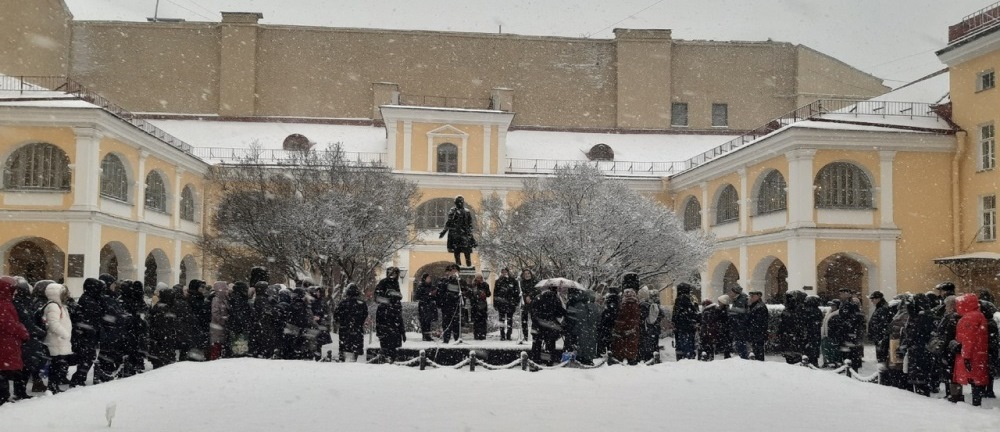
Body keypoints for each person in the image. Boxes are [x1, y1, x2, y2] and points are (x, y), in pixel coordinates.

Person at [954, 293, 990, 406]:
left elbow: (968, 338)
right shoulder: (979, 315)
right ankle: (977, 402)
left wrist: (966, 355)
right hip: (979, 352)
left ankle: (975, 404)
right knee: (977, 378)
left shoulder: (969, 318)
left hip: (972, 353)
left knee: (972, 377)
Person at [899, 293, 937, 396]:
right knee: (919, 378)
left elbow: (915, 333)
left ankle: (921, 395)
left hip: (920, 351)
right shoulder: (922, 316)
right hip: (919, 350)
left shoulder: (922, 317)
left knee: (920, 380)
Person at [0, 276, 29, 404]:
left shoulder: (5, 303)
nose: (15, 292)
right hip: (6, 342)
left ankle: (4, 395)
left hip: (6, 342)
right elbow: (9, 324)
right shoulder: (4, 304)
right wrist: (23, 332)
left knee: (4, 371)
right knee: (4, 371)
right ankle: (3, 397)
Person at [41, 283, 72, 393]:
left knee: (58, 366)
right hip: (56, 341)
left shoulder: (59, 306)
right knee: (56, 366)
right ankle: (53, 387)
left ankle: (54, 386)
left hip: (59, 341)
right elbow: (53, 324)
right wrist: (65, 334)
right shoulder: (54, 306)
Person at [530, 283, 565, 366]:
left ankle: (535, 360)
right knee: (550, 344)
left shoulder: (537, 297)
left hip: (537, 325)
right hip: (550, 326)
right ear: (555, 290)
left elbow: (532, 311)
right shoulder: (555, 299)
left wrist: (537, 321)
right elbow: (559, 313)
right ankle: (549, 362)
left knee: (536, 344)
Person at [564, 288, 601, 365]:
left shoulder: (576, 305)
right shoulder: (593, 306)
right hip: (588, 330)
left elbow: (571, 317)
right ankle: (587, 358)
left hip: (578, 329)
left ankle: (578, 357)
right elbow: (597, 319)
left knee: (579, 344)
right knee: (588, 344)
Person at [120, 280, 149, 378]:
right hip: (134, 328)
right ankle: (134, 365)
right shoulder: (133, 300)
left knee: (133, 347)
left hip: (132, 328)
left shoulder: (125, 299)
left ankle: (132, 365)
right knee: (135, 347)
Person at [438, 196, 477, 267]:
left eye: (461, 202)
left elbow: (470, 224)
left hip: (464, 234)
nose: (460, 203)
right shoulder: (452, 211)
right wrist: (444, 232)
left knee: (467, 252)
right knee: (457, 253)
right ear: (455, 203)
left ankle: (469, 267)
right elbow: (449, 222)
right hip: (455, 235)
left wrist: (471, 235)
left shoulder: (467, 212)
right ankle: (458, 267)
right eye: (458, 202)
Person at [334, 283, 368, 362]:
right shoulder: (362, 304)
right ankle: (354, 359)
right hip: (357, 328)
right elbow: (364, 315)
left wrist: (342, 322)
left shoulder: (342, 303)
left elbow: (336, 316)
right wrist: (359, 322)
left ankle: (342, 358)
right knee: (355, 347)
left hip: (345, 329)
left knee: (343, 346)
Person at [148, 286, 179, 369]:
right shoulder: (163, 308)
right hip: (163, 341)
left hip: (161, 341)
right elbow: (163, 326)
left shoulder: (160, 306)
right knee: (163, 365)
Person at [612, 289, 641, 364]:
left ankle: (620, 359)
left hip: (624, 329)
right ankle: (631, 359)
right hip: (633, 329)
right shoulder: (636, 305)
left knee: (621, 345)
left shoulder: (624, 305)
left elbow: (622, 318)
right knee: (632, 345)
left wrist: (617, 327)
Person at [671, 282, 699, 361]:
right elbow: (692, 312)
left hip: (681, 327)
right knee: (688, 345)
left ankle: (681, 358)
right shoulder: (686, 298)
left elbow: (675, 314)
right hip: (687, 327)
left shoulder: (679, 299)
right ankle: (688, 358)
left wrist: (674, 322)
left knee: (681, 345)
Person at [376, 291, 406, 362]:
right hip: (392, 332)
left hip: (387, 332)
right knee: (391, 352)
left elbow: (378, 321)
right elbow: (399, 321)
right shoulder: (396, 306)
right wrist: (402, 333)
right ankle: (391, 360)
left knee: (387, 351)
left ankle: (388, 360)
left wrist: (379, 332)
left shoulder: (383, 306)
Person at [438, 265, 463, 344]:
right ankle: (446, 339)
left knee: (456, 323)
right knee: (446, 323)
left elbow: (466, 291)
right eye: (452, 271)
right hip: (447, 306)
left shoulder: (461, 282)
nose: (454, 272)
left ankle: (457, 339)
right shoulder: (445, 281)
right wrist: (448, 297)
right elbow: (440, 293)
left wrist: (462, 294)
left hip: (456, 306)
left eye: (456, 271)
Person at [638, 287, 664, 362]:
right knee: (655, 343)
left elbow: (641, 316)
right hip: (655, 328)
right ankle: (655, 356)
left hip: (646, 327)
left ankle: (646, 356)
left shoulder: (644, 304)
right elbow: (662, 314)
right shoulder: (656, 304)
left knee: (646, 343)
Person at [700, 296, 730, 361]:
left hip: (710, 330)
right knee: (711, 343)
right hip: (715, 330)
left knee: (707, 343)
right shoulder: (720, 309)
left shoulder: (712, 310)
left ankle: (706, 355)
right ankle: (710, 355)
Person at [492, 268, 519, 341]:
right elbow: (495, 293)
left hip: (510, 303)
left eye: (505, 272)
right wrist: (495, 304)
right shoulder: (498, 281)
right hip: (501, 304)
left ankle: (509, 334)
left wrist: (516, 302)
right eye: (502, 272)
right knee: (501, 320)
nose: (504, 273)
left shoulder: (513, 281)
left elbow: (517, 293)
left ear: (508, 272)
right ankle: (502, 335)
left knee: (510, 320)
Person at [227, 281, 253, 358]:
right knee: (240, 348)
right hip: (239, 326)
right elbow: (239, 313)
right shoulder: (239, 298)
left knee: (237, 346)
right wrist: (245, 323)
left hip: (236, 325)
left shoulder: (235, 297)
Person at [867, 290, 892, 365]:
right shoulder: (880, 307)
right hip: (879, 336)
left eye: (873, 299)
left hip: (881, 337)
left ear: (878, 299)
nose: (871, 301)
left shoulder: (882, 308)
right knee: (881, 356)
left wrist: (880, 336)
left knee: (882, 357)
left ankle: (882, 373)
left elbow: (883, 324)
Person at [413, 273, 439, 342]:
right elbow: (417, 297)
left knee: (429, 321)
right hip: (423, 306)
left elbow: (436, 296)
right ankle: (424, 335)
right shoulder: (421, 287)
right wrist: (429, 294)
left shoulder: (432, 286)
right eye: (428, 278)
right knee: (424, 321)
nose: (429, 279)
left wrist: (434, 295)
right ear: (425, 279)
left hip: (430, 306)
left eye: (430, 278)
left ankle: (428, 335)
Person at [209, 281, 231, 360]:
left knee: (219, 345)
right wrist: (224, 319)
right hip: (217, 327)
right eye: (225, 289)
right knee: (216, 345)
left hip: (220, 326)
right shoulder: (216, 300)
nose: (227, 290)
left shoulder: (224, 299)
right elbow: (215, 313)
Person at [727, 285, 750, 359]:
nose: (730, 293)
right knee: (739, 342)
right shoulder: (738, 299)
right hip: (739, 325)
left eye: (731, 291)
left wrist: (731, 310)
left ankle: (743, 357)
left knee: (740, 342)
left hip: (740, 325)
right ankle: (743, 356)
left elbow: (742, 311)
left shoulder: (741, 300)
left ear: (735, 292)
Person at [518, 269, 540, 343]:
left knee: (534, 320)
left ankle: (535, 336)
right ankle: (525, 336)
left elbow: (537, 291)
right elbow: (521, 292)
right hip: (525, 303)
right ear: (523, 275)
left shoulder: (535, 281)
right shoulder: (522, 282)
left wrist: (530, 296)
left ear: (531, 274)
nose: (527, 275)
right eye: (525, 274)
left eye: (528, 273)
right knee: (524, 320)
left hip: (534, 303)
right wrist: (525, 296)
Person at [746, 290, 769, 361]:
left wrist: (754, 328)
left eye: (753, 296)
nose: (751, 297)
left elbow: (760, 321)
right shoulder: (754, 305)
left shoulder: (760, 306)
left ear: (758, 296)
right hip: (755, 331)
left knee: (758, 349)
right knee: (756, 348)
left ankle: (759, 362)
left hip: (758, 332)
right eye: (750, 296)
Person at [802, 295, 824, 366]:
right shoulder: (818, 311)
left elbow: (805, 321)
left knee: (809, 347)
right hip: (815, 332)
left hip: (810, 331)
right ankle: (814, 361)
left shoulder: (807, 310)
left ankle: (810, 361)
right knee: (815, 347)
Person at [599, 286, 621, 356]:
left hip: (607, 321)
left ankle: (606, 351)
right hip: (613, 321)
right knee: (611, 338)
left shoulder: (610, 300)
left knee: (606, 337)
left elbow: (608, 310)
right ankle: (610, 351)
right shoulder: (617, 300)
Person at [468, 274, 491, 340]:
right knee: (476, 321)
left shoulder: (485, 285)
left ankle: (483, 335)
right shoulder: (473, 285)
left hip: (483, 305)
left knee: (483, 321)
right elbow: (469, 295)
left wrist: (485, 293)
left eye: (480, 278)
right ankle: (476, 335)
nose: (479, 279)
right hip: (475, 306)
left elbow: (489, 294)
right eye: (477, 278)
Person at [821, 299, 842, 368]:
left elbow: (837, 327)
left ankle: (833, 363)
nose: (832, 306)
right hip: (826, 335)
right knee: (826, 349)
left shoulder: (838, 314)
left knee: (833, 350)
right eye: (831, 305)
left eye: (834, 305)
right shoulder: (829, 313)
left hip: (833, 336)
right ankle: (827, 362)